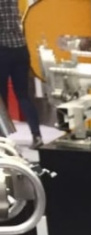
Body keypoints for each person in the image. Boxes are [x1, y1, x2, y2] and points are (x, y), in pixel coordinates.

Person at [0, 0, 41, 148]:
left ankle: (3, 140)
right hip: (21, 48)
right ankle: (37, 135)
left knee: (1, 99)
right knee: (23, 95)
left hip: (3, 50)